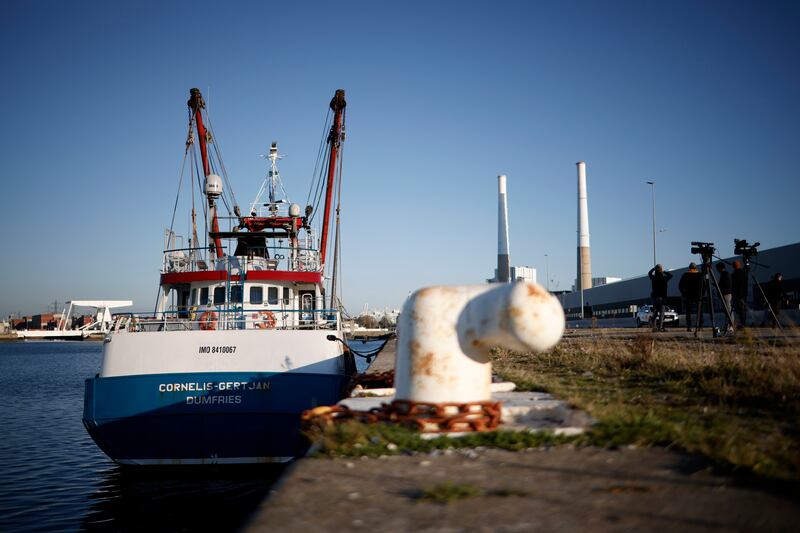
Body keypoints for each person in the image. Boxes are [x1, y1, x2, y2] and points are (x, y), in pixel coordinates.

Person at [648, 264, 673, 331]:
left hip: (655, 298)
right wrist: (664, 271)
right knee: (662, 313)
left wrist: (653, 268)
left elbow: (649, 273)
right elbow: (671, 275)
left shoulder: (653, 278)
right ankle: (660, 327)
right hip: (662, 298)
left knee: (655, 312)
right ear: (661, 270)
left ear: (655, 271)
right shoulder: (664, 278)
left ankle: (654, 326)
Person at [679, 263, 702, 331]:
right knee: (699, 311)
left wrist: (684, 293)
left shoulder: (685, 275)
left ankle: (689, 326)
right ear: (695, 268)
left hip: (688, 295)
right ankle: (699, 326)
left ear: (689, 268)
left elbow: (680, 286)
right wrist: (702, 293)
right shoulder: (699, 274)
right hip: (698, 295)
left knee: (688, 311)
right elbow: (704, 285)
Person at [716, 262, 733, 332]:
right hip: (726, 294)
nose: (717, 270)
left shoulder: (725, 274)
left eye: (717, 268)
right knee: (727, 311)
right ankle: (728, 326)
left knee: (728, 311)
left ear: (720, 268)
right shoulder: (725, 274)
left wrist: (719, 287)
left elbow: (726, 285)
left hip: (726, 294)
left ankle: (731, 326)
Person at [731, 260, 748, 329]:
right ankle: (743, 324)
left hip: (737, 295)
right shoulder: (743, 273)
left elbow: (733, 285)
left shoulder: (733, 275)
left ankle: (742, 324)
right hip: (742, 295)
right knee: (742, 310)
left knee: (739, 310)